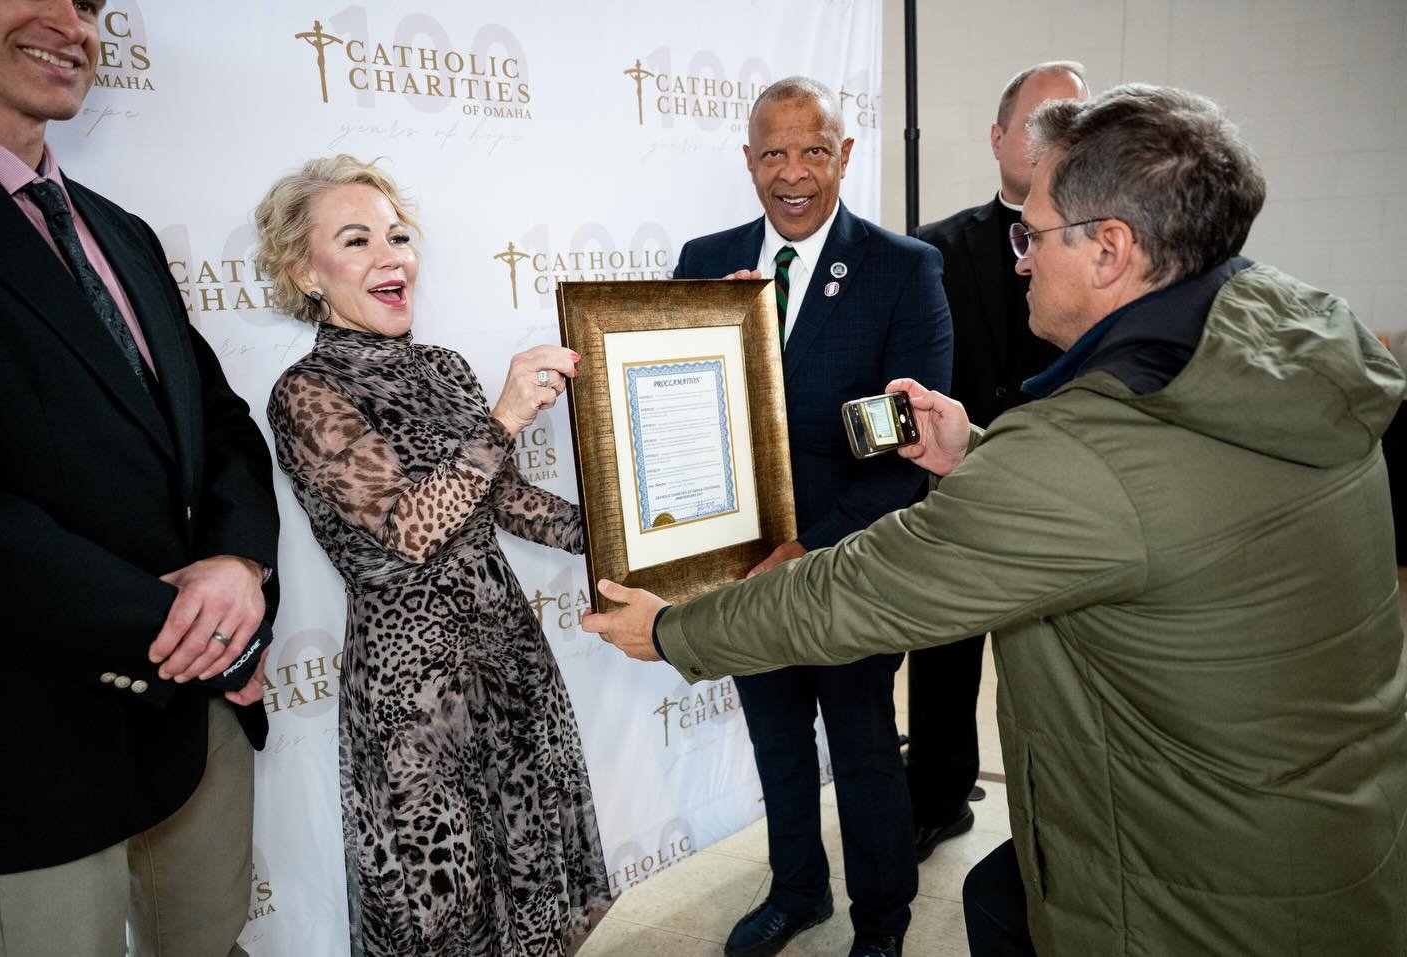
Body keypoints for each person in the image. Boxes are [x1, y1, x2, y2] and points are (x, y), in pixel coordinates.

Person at [584, 83, 1407, 955]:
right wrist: (975, 449)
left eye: (1033, 233)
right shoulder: (1291, 361)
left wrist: (676, 629)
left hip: (1199, 891)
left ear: (1111, 250)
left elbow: (868, 586)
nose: (1017, 259)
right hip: (1311, 831)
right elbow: (1145, 509)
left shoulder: (1074, 446)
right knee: (995, 895)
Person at [0, 1, 281, 955]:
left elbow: (217, 423)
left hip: (197, 723)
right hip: (24, 741)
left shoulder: (120, 231)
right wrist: (179, 628)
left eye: (93, 3)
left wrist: (237, 564)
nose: (72, 21)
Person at [255, 155, 612, 956]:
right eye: (357, 239)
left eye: (398, 234)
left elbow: (508, 501)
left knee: (535, 886)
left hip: (509, 661)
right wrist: (504, 418)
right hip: (416, 703)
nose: (392, 255)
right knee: (439, 911)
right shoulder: (304, 392)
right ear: (306, 272)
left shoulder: (446, 367)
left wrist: (637, 535)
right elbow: (409, 529)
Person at [672, 77, 953, 957]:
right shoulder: (703, 261)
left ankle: (882, 923)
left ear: (845, 154)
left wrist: (808, 544)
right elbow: (680, 418)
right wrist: (710, 327)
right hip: (742, 556)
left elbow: (904, 444)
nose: (792, 173)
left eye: (814, 150)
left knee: (864, 745)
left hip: (852, 555)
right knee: (777, 734)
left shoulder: (904, 268)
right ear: (748, 159)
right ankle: (798, 888)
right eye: (773, 153)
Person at [905, 61, 1088, 863]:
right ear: (997, 136)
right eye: (1040, 122)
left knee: (1059, 670)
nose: (1056, 141)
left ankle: (1066, 825)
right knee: (944, 656)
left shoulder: (1109, 254)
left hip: (1073, 494)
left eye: (1075, 124)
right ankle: (938, 797)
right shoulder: (931, 250)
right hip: (961, 481)